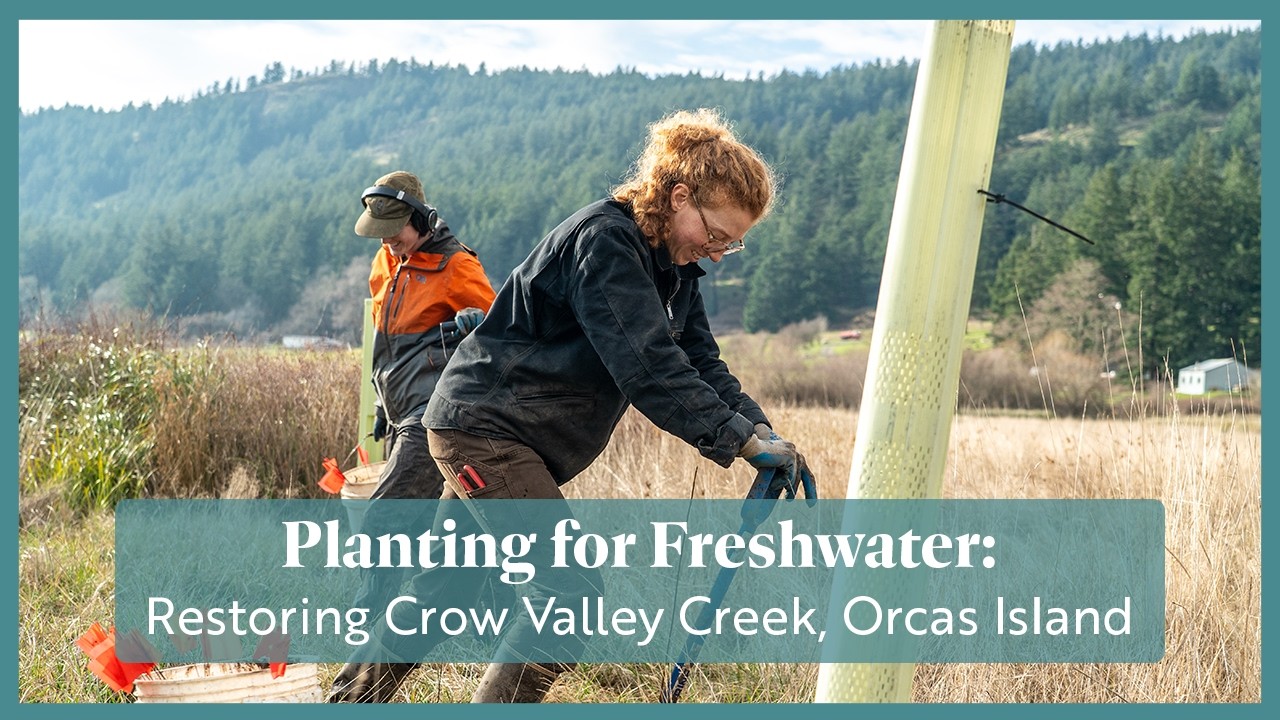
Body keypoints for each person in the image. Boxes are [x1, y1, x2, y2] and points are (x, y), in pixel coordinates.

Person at [328, 110, 816, 703]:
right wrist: (736, 440)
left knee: (447, 588)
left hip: (498, 432)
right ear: (679, 196)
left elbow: (701, 363)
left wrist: (760, 430)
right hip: (484, 429)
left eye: (731, 243)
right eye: (716, 233)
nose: (718, 252)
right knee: (569, 594)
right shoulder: (605, 244)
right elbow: (648, 367)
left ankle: (346, 701)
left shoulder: (672, 270)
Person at [349, 170, 496, 614]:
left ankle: (366, 619)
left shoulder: (456, 266)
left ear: (420, 219)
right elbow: (384, 340)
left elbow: (508, 329)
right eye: (381, 235)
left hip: (435, 411)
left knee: (384, 517)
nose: (387, 242)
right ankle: (491, 614)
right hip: (399, 409)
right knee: (449, 523)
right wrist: (380, 403)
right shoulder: (386, 263)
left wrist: (479, 323)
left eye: (395, 233)